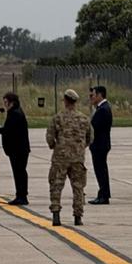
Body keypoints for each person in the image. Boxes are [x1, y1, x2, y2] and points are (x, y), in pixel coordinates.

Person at [46, 89, 93, 227]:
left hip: (60, 158)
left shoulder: (58, 118)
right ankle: (78, 216)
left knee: (56, 185)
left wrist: (55, 146)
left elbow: (50, 137)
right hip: (77, 158)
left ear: (65, 100)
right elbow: (90, 138)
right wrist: (79, 148)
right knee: (78, 187)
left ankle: (56, 215)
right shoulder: (84, 119)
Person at [0, 91, 30, 205]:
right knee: (19, 172)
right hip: (17, 149)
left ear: (12, 102)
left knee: (19, 172)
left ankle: (22, 196)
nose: (4, 105)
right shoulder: (14, 112)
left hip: (18, 150)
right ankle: (20, 194)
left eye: (6, 102)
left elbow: (9, 130)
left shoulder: (15, 114)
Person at [88, 85, 113, 204]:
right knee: (101, 170)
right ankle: (103, 194)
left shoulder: (102, 109)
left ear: (99, 95)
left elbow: (94, 128)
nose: (91, 98)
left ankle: (103, 195)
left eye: (93, 95)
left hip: (99, 145)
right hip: (101, 145)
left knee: (100, 171)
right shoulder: (103, 108)